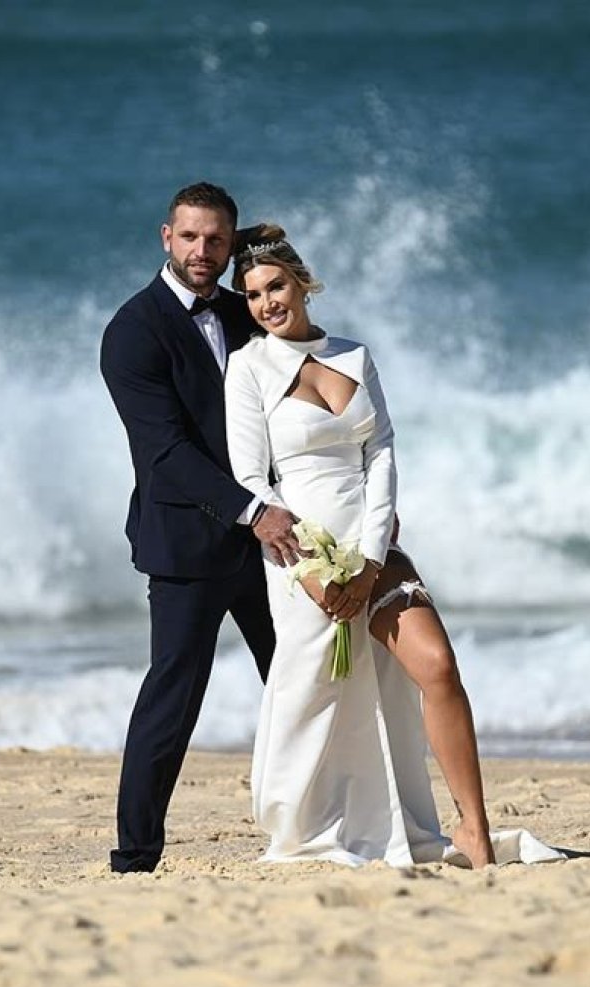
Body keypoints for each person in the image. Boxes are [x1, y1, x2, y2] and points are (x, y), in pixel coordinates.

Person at [224, 224, 562, 870]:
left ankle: (474, 831)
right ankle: (312, 822)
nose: (267, 303)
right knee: (315, 694)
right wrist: (309, 565)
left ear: (302, 284)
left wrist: (374, 553)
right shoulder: (248, 368)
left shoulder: (355, 356)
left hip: (373, 541)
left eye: (276, 287)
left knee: (437, 665)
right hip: (302, 556)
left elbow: (380, 452)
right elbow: (250, 477)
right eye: (254, 295)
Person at [100, 185, 299, 874]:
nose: (201, 251)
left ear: (231, 241)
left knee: (301, 678)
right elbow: (165, 452)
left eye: (215, 239)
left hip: (268, 541)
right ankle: (135, 855)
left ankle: (324, 821)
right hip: (188, 543)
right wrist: (253, 512)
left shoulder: (247, 314)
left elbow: (293, 410)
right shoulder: (133, 330)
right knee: (173, 698)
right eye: (189, 237)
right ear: (166, 237)